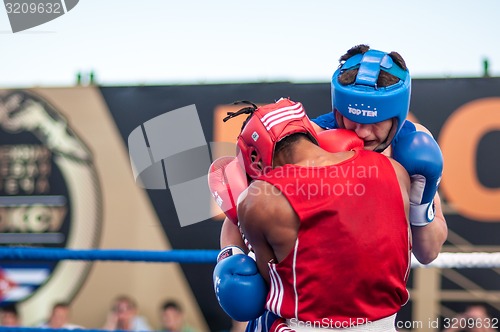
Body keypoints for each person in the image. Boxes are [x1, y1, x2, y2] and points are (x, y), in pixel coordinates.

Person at [218, 44, 446, 268]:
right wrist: (231, 260)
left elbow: (428, 252)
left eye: (375, 122)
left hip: (374, 292)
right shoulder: (307, 141)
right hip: (306, 285)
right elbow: (239, 209)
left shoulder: (415, 148)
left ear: (397, 117)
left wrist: (420, 203)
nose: (363, 132)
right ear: (339, 109)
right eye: (352, 118)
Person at [211, 98, 411, 331]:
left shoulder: (260, 199)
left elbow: (267, 286)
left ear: (254, 158)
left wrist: (230, 254)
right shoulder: (394, 171)